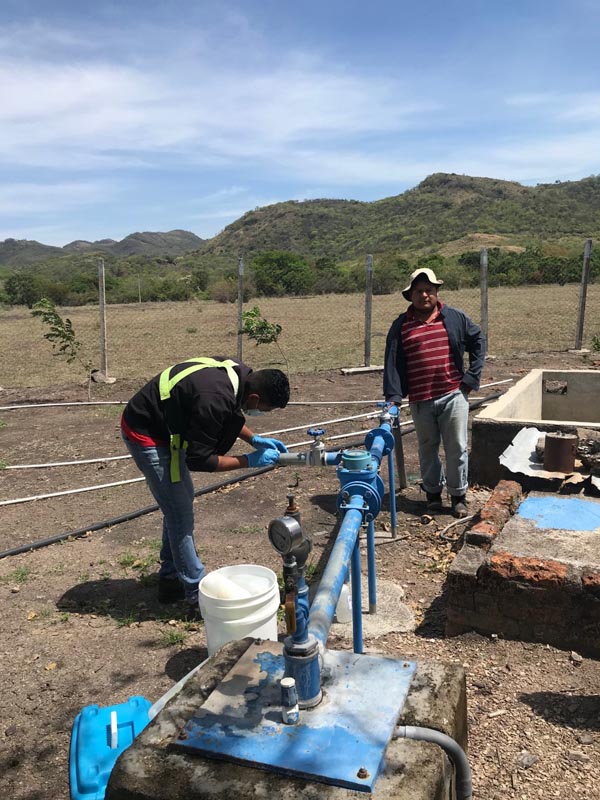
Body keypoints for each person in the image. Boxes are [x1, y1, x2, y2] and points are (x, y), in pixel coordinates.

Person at [121, 357, 290, 612]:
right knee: (179, 514)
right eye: (265, 409)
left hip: (168, 427)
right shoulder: (214, 396)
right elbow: (200, 460)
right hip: (146, 433)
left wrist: (254, 439)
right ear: (254, 399)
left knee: (179, 505)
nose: (261, 413)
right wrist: (249, 460)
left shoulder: (236, 376)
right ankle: (196, 596)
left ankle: (170, 578)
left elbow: (230, 414)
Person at [383, 268, 486, 518]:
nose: (424, 295)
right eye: (419, 291)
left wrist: (471, 378)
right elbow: (393, 363)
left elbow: (478, 341)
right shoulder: (401, 326)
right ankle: (432, 496)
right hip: (421, 399)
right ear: (411, 296)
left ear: (436, 292)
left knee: (457, 447)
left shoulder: (454, 317)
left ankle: (458, 496)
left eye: (429, 290)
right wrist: (393, 398)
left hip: (453, 394)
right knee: (427, 448)